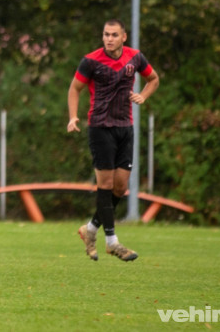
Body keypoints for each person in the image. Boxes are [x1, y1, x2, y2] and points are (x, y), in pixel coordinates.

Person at [67, 19, 160, 262]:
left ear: (124, 37)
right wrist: (73, 117)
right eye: (106, 34)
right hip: (100, 128)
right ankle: (112, 242)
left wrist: (143, 96)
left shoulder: (135, 57)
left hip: (125, 128)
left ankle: (89, 228)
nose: (109, 38)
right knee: (105, 185)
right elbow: (74, 88)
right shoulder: (91, 60)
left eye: (114, 34)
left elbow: (154, 79)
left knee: (120, 187)